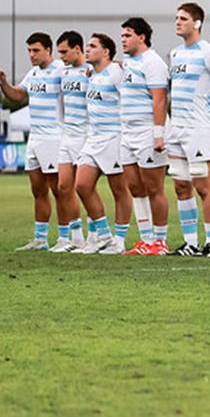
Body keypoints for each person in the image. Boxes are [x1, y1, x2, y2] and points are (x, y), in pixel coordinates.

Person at [0, 32, 64, 250]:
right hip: (35, 137)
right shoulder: (33, 74)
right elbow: (17, 95)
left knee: (58, 190)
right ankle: (40, 239)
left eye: (36, 50)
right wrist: (3, 83)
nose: (31, 55)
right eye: (29, 51)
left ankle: (65, 237)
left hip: (53, 137)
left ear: (48, 50)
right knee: (38, 189)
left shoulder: (61, 70)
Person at [165, 3, 210, 256]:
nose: (178, 22)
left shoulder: (209, 52)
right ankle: (190, 243)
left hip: (199, 128)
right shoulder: (175, 54)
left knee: (203, 186)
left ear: (197, 23)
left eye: (183, 18)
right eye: (176, 18)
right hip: (176, 128)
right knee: (181, 186)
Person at [74, 34, 132, 254]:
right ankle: (104, 236)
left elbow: (130, 97)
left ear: (106, 52)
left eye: (92, 46)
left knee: (119, 190)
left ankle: (119, 240)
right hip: (93, 138)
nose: (87, 50)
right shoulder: (92, 75)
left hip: (113, 139)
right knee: (82, 185)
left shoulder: (117, 73)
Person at [117, 18, 170, 255]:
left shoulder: (153, 62)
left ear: (142, 37)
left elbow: (159, 99)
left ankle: (160, 241)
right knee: (135, 187)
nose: (123, 40)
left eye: (128, 35)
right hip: (127, 132)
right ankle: (145, 240)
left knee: (154, 188)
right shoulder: (129, 63)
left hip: (147, 132)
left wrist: (158, 134)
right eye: (122, 35)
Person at [51, 31, 90, 252]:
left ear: (78, 49)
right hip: (68, 136)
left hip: (87, 136)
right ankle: (76, 238)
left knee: (85, 187)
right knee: (64, 187)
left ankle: (96, 234)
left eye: (65, 51)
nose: (62, 56)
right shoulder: (62, 71)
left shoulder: (91, 71)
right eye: (59, 52)